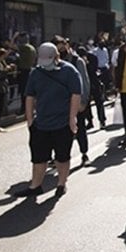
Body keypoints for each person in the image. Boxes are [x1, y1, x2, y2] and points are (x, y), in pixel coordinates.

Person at [15, 43, 81, 198]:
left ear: (56, 56)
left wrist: (72, 118)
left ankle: (61, 183)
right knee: (38, 157)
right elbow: (30, 96)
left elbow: (76, 95)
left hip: (63, 123)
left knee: (62, 156)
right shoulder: (36, 73)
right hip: (41, 123)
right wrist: (30, 119)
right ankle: (35, 186)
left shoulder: (69, 71)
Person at [53, 35, 91, 167]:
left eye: (62, 46)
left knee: (80, 129)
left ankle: (84, 153)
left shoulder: (76, 61)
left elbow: (84, 82)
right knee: (59, 131)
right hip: (59, 103)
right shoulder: (52, 63)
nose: (61, 49)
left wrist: (83, 101)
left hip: (75, 101)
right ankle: (60, 156)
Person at [15, 32, 36, 115]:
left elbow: (12, 46)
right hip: (30, 70)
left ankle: (24, 109)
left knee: (24, 91)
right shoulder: (32, 48)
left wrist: (13, 38)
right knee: (29, 91)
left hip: (24, 71)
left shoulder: (25, 47)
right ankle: (29, 109)